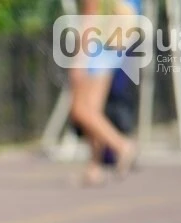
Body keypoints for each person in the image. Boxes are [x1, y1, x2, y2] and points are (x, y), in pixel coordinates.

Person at [69, 0, 141, 186]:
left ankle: (122, 146)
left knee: (80, 110)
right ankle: (94, 168)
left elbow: (89, 18)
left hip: (96, 49)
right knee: (93, 111)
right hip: (112, 47)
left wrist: (78, 60)